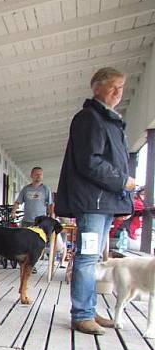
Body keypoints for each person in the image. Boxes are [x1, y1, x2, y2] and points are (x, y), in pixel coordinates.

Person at [54, 67, 135, 335]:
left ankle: (89, 309)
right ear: (96, 88)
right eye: (113, 87)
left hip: (103, 202)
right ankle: (82, 314)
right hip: (92, 202)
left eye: (121, 88)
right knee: (87, 259)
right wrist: (122, 180)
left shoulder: (109, 120)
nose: (118, 93)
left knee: (93, 257)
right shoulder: (89, 118)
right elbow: (90, 161)